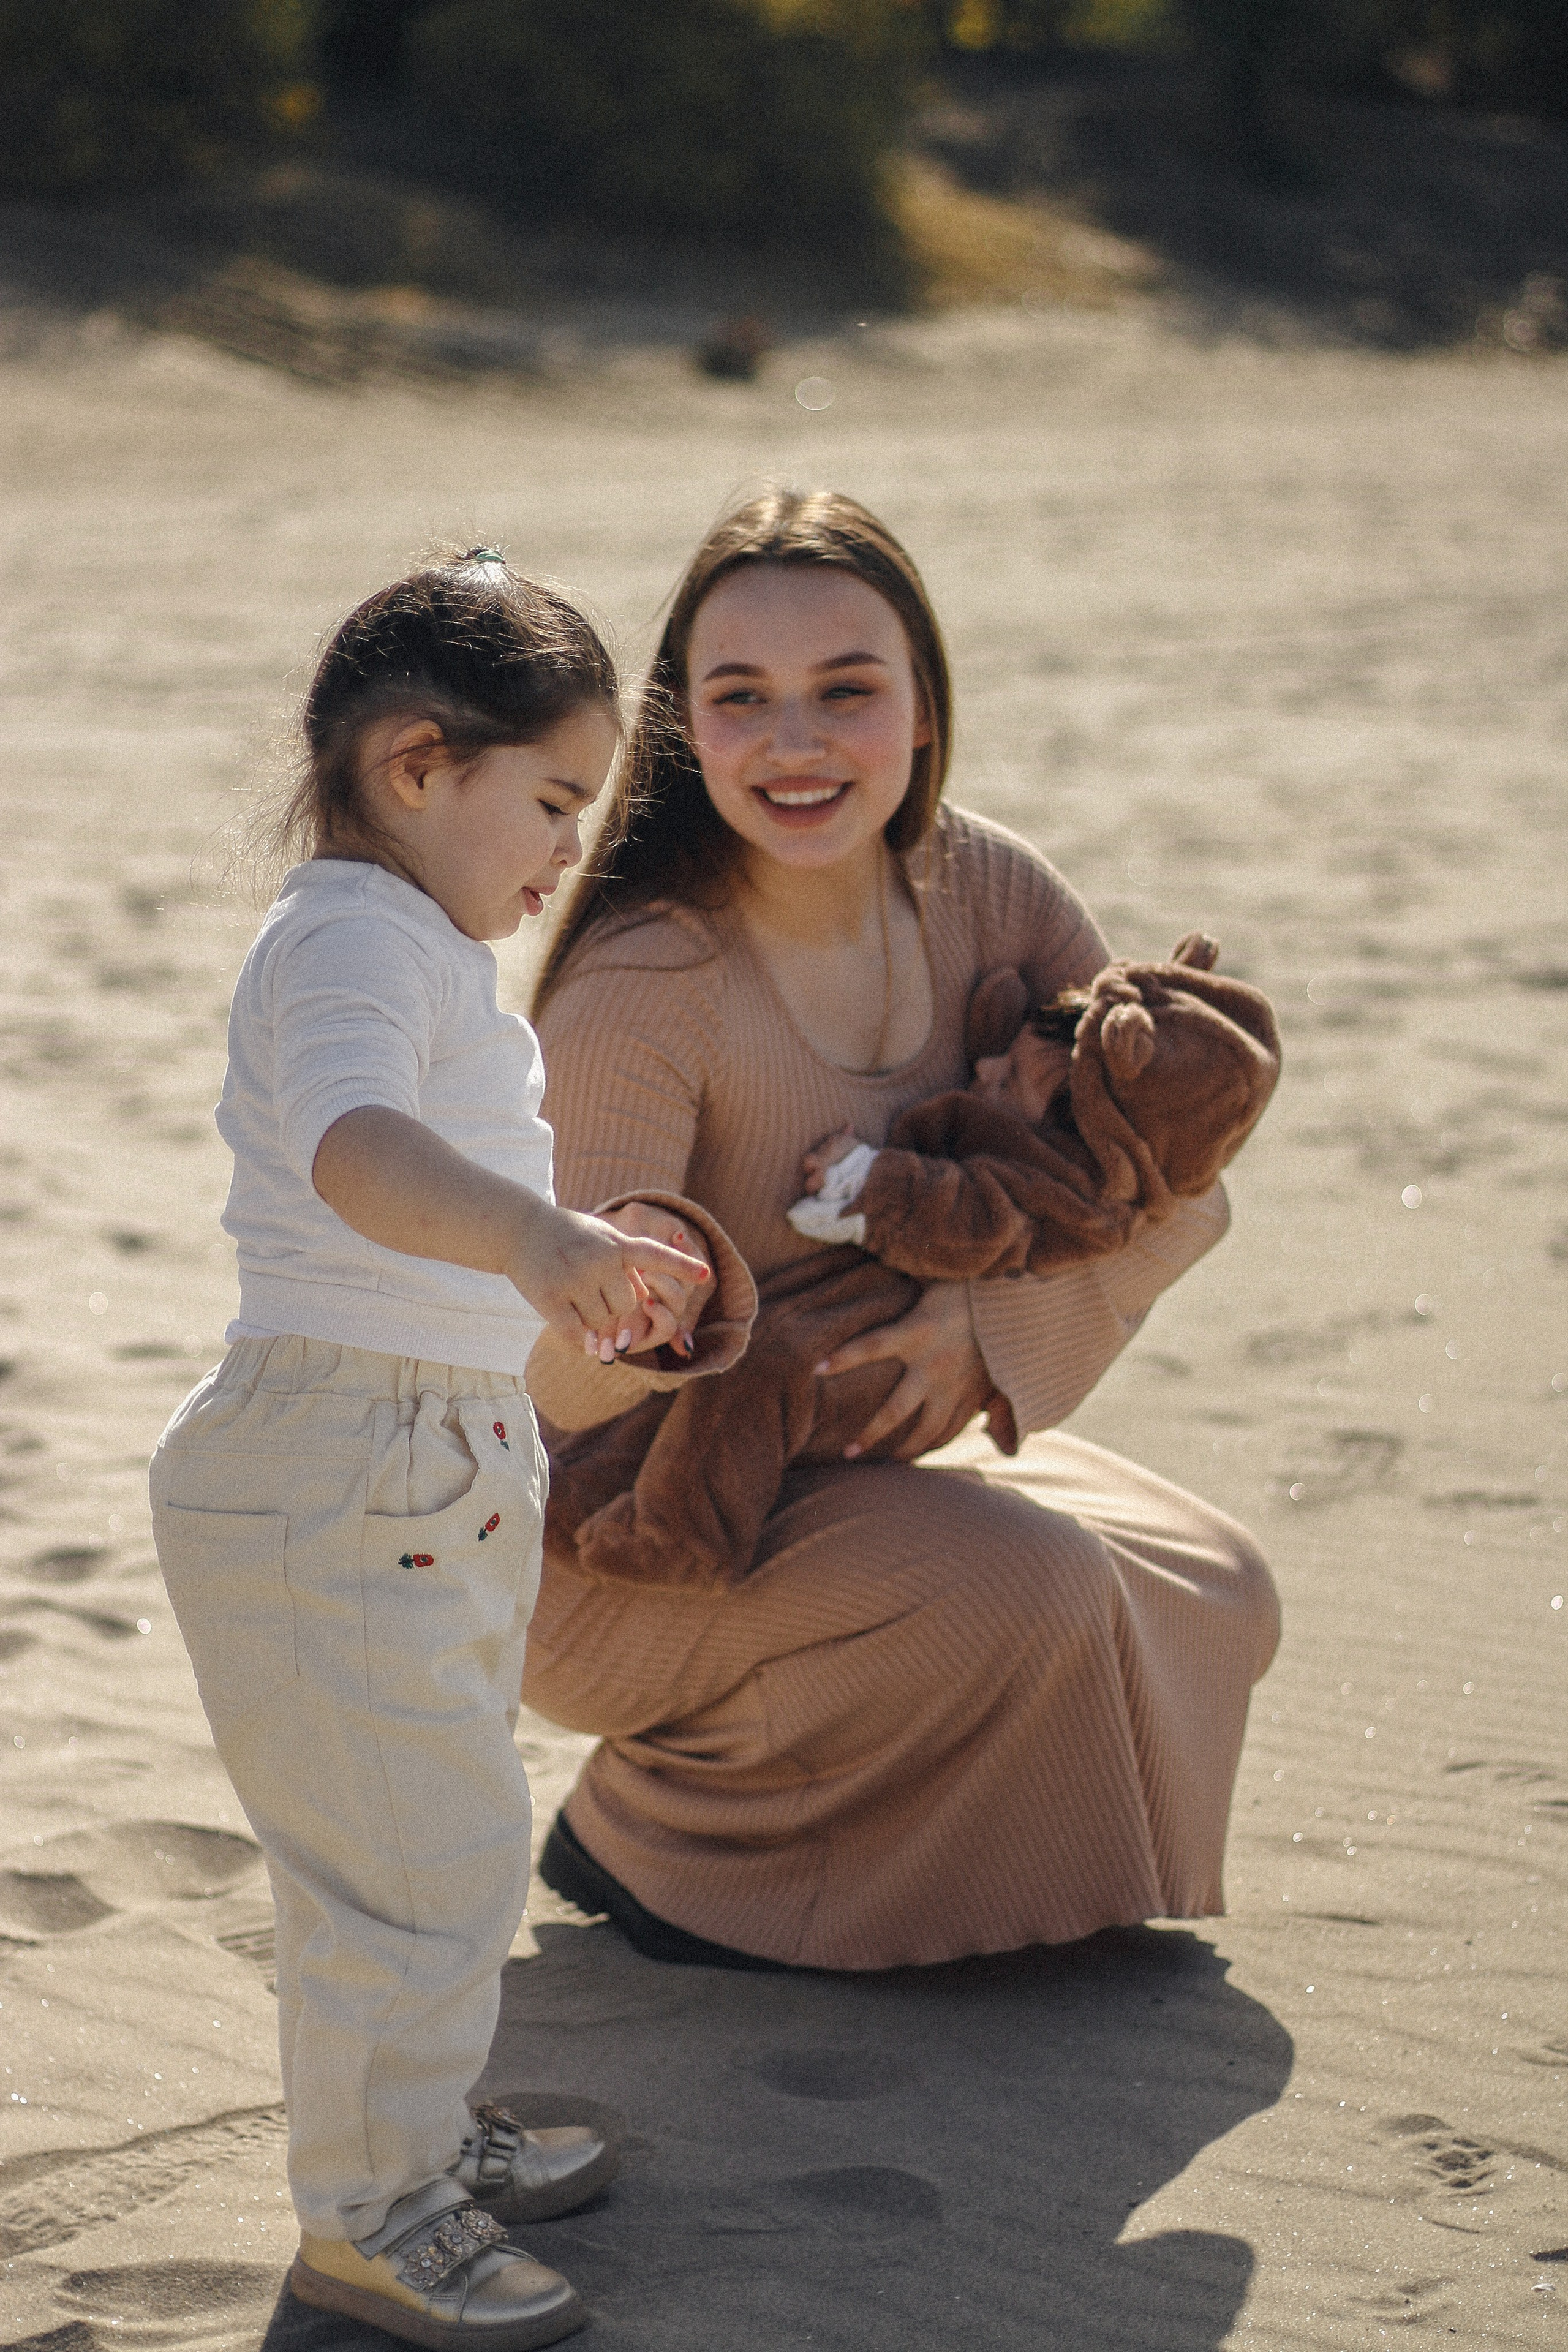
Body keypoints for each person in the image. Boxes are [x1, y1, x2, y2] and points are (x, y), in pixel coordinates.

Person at [522, 488, 1283, 1975]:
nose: (793, 742)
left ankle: (987, 1872)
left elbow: (1166, 1183)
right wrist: (638, 1301)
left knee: (1214, 1582)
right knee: (1033, 1588)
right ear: (680, 726)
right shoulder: (640, 984)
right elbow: (543, 1387)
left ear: (924, 708)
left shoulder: (988, 888)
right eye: (741, 697)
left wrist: (982, 1328)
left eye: (845, 690)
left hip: (841, 1460)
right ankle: (665, 1841)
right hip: (621, 1534)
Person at [148, 552, 709, 2350]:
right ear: (415, 764)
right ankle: (372, 2214)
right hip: (342, 1459)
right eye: (551, 798)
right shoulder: (348, 938)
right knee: (410, 1863)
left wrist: (576, 1260)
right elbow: (354, 1147)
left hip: (413, 1462)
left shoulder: (411, 950)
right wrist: (535, 1242)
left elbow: (420, 1185)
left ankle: (415, 2123)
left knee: (441, 1833)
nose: (569, 847)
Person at [546, 934, 1281, 1589]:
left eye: (1006, 1080)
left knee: (759, 1374)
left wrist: (886, 1206)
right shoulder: (645, 965)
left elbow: (973, 1212)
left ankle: (684, 1539)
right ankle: (600, 1490)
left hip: (871, 1348)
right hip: (834, 1310)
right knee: (719, 1377)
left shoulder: (1060, 1181)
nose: (982, 1069)